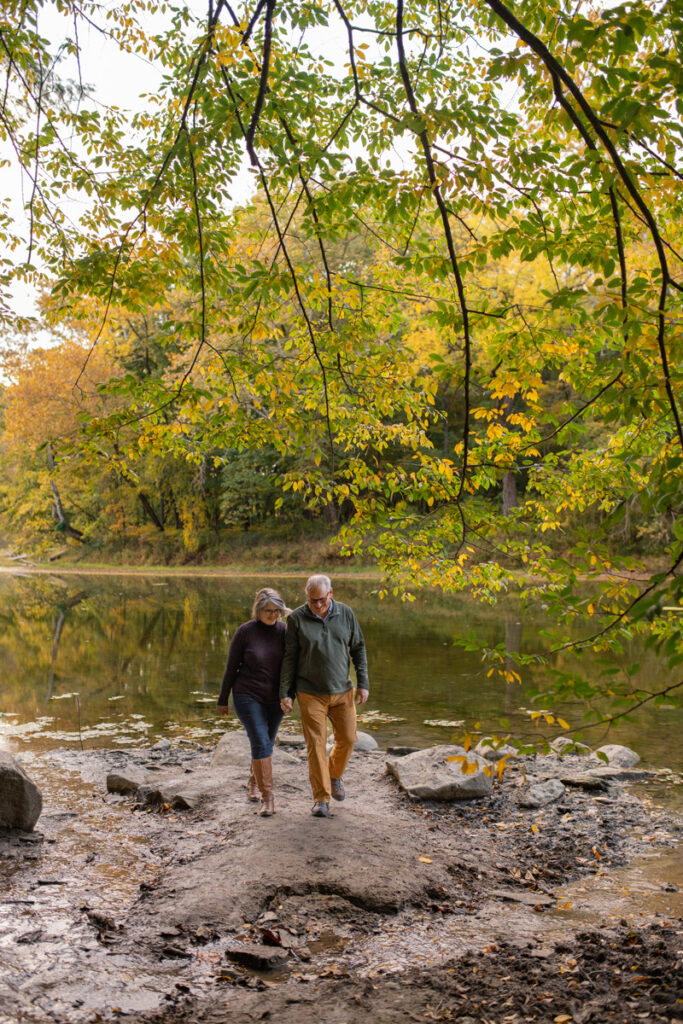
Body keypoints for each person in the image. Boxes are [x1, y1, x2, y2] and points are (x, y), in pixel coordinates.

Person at [279, 574, 369, 818]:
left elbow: (358, 648)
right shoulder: (296, 619)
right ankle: (321, 799)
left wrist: (364, 683)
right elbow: (289, 658)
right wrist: (286, 693)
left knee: (349, 739)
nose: (316, 605)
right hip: (310, 693)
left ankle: (335, 775)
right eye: (311, 600)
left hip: (343, 691)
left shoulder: (346, 614)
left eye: (320, 600)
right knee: (316, 745)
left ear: (331, 593)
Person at [217, 587, 289, 817]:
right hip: (247, 695)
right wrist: (223, 698)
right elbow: (231, 668)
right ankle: (268, 798)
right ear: (258, 610)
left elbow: (291, 669)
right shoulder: (245, 632)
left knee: (266, 742)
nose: (272, 615)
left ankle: (253, 781)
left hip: (275, 698)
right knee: (260, 741)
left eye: (276, 611)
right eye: (268, 610)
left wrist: (290, 695)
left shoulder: (285, 632)